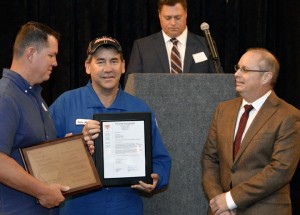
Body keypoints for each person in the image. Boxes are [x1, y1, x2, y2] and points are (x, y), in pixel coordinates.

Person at [49, 36, 172, 215]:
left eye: (114, 61)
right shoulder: (66, 103)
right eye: (100, 61)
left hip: (125, 206)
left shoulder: (138, 108)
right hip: (78, 208)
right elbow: (44, 159)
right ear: (87, 66)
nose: (108, 69)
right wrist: (75, 145)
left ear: (123, 66)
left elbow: (161, 159)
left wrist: (156, 177)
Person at [201, 48, 300, 215]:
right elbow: (209, 159)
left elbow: (281, 170)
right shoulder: (223, 110)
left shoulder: (289, 116)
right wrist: (219, 203)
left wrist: (230, 200)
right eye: (238, 68)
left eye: (245, 70)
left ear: (266, 77)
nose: (237, 74)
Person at [0, 21, 70, 214]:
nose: (55, 63)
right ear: (30, 54)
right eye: (51, 55)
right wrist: (43, 191)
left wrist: (69, 148)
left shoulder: (34, 96)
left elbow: (36, 149)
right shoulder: (6, 96)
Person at [126, 0, 223, 79]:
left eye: (177, 17)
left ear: (186, 14)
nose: (173, 23)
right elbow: (131, 85)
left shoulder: (206, 45)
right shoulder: (142, 47)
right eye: (168, 18)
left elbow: (219, 82)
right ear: (159, 15)